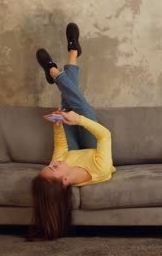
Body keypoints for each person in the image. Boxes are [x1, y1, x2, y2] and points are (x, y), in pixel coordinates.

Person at [27, 23, 116, 241]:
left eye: (48, 166)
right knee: (80, 107)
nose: (52, 163)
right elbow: (105, 135)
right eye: (54, 168)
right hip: (93, 146)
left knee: (66, 108)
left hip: (75, 150)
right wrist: (79, 120)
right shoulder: (100, 169)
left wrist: (58, 125)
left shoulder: (60, 165)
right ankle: (55, 69)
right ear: (65, 180)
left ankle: (71, 54)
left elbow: (61, 148)